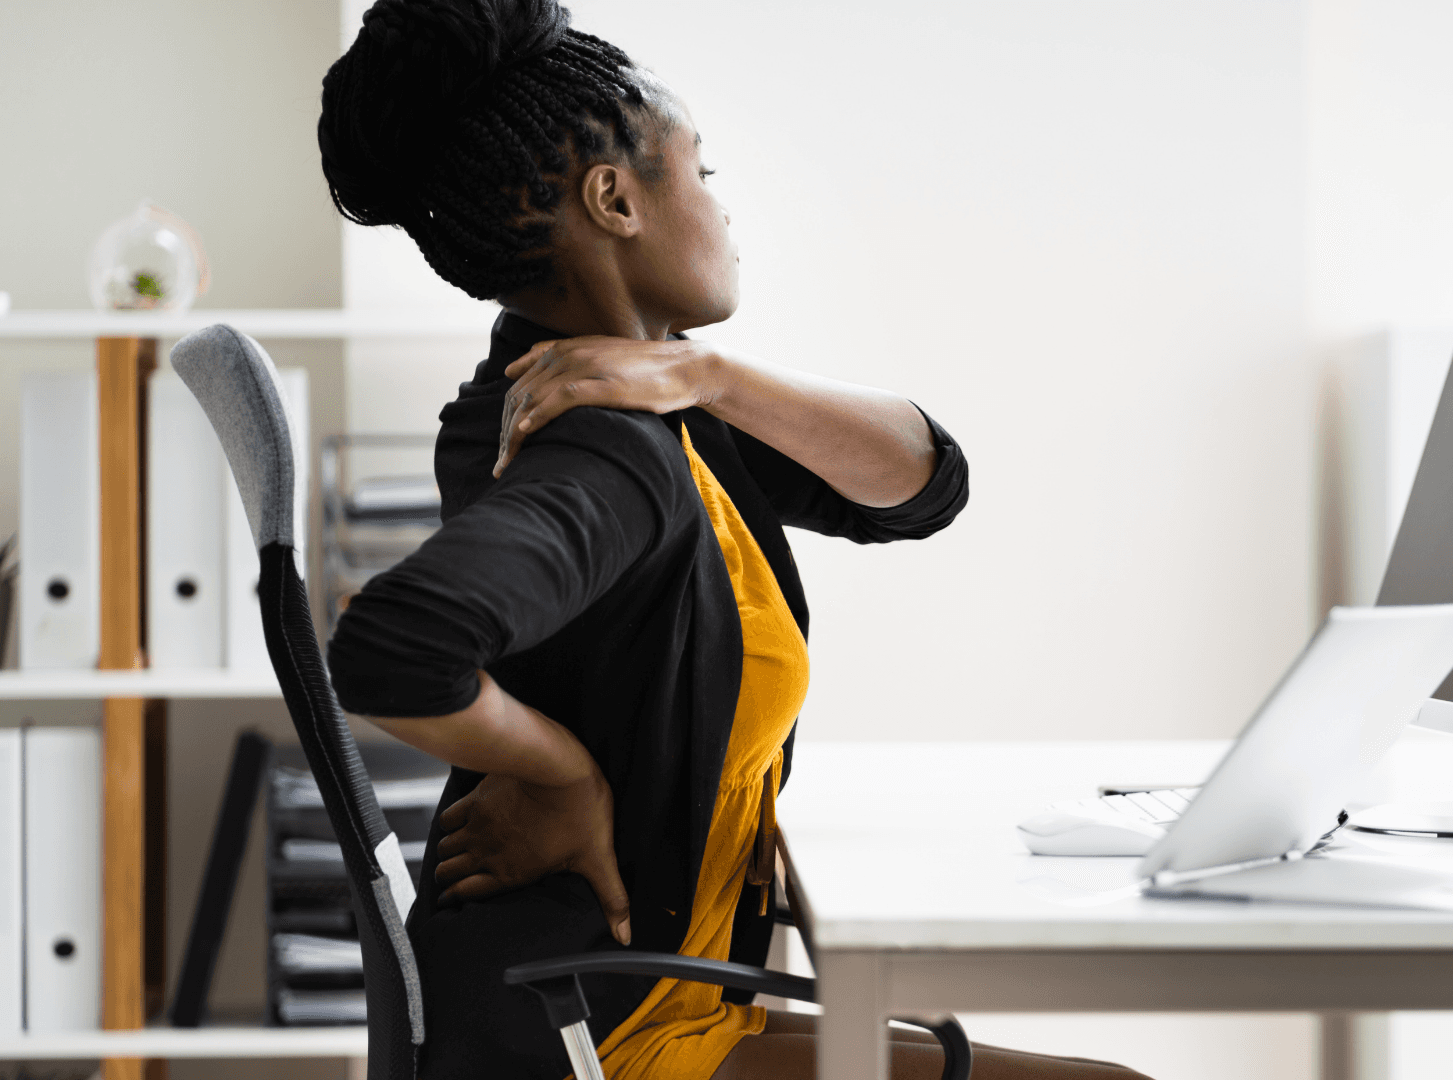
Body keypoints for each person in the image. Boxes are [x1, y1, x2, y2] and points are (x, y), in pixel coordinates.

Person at [319, 2, 1149, 1078]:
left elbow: (919, 486)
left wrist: (708, 373)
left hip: (648, 993)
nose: (721, 207)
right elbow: (394, 645)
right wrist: (561, 776)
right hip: (606, 1031)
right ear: (615, 199)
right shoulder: (603, 447)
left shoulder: (629, 403)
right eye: (701, 172)